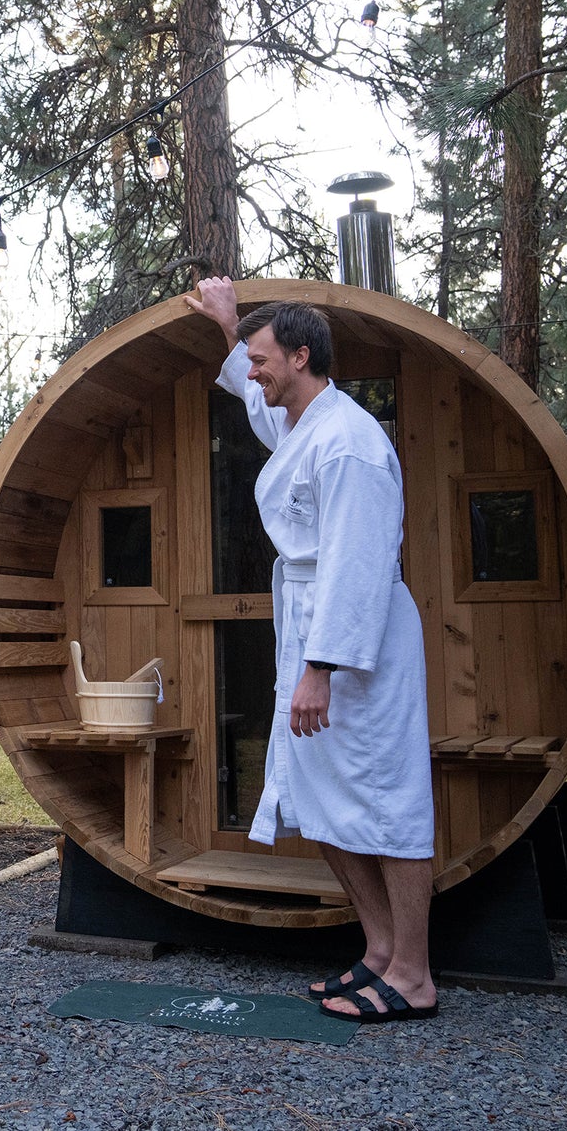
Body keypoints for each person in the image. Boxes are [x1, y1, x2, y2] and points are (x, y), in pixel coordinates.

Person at [186, 278, 438, 1024]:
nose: (253, 371)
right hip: (309, 630)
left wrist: (320, 668)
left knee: (385, 798)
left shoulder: (351, 443)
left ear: (301, 356)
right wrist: (228, 327)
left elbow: (357, 563)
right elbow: (254, 401)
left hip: (355, 642)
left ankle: (416, 975)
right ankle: (382, 951)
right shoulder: (303, 424)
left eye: (263, 358)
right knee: (324, 798)